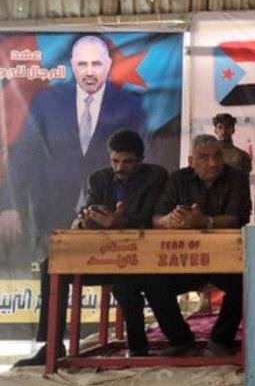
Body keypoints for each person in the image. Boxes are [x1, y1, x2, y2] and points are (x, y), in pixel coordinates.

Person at [14, 130, 166, 366]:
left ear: (141, 160)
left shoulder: (155, 176)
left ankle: (138, 346)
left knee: (125, 280)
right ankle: (52, 345)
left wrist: (121, 223)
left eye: (127, 162)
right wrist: (86, 221)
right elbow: (88, 212)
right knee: (52, 265)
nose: (120, 167)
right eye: (115, 161)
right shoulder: (98, 179)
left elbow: (152, 219)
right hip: (102, 255)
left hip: (140, 257)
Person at [0, 34, 145, 258]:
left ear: (108, 65)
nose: (89, 72)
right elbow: (24, 154)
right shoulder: (46, 101)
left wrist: (131, 214)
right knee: (52, 271)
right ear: (72, 65)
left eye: (96, 64)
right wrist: (10, 205)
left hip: (107, 216)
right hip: (51, 212)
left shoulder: (130, 105)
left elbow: (143, 161)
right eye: (82, 64)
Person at [150, 135, 249, 356]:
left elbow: (237, 218)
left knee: (246, 282)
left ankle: (220, 341)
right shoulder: (177, 179)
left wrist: (205, 222)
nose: (213, 163)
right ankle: (181, 340)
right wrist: (170, 221)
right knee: (153, 282)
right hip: (185, 259)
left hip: (224, 260)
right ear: (191, 161)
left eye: (217, 156)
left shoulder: (237, 178)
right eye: (204, 157)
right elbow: (157, 218)